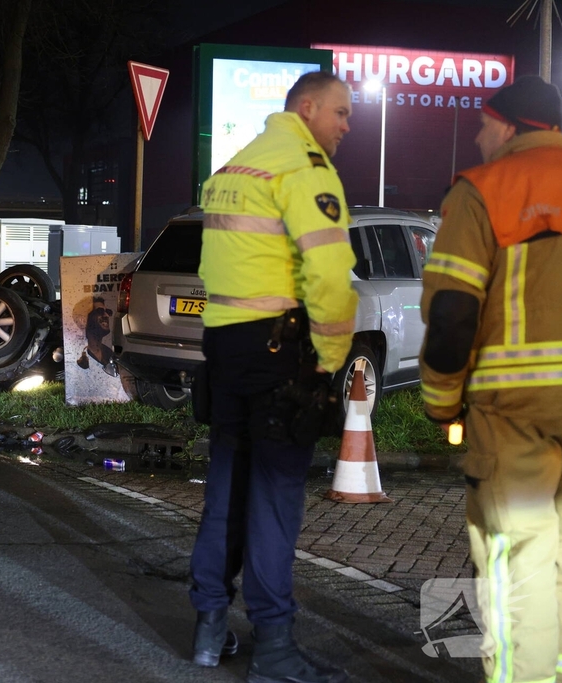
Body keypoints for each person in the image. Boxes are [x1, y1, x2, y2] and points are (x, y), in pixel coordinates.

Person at [190, 70, 358, 683]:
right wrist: (330, 360)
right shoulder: (304, 168)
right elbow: (330, 275)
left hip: (224, 346)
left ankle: (209, 630)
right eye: (340, 112)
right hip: (278, 351)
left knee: (227, 485)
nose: (346, 126)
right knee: (275, 496)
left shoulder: (236, 168)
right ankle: (276, 650)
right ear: (306, 108)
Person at [418, 76, 562, 683]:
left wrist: (442, 405)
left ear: (506, 125)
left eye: (482, 125)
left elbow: (453, 313)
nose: (478, 137)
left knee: (520, 562)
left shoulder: (484, 190)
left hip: (514, 413)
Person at [76, 296, 117, 376]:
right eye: (100, 311)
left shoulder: (109, 352)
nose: (106, 316)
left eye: (107, 312)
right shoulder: (78, 353)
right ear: (84, 319)